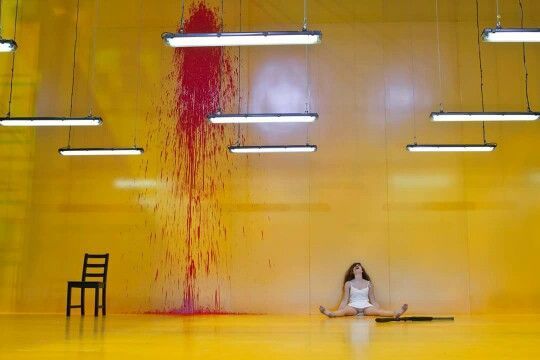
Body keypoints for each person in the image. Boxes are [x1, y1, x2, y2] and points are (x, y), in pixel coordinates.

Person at [319, 262, 408, 318]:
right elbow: (345, 299)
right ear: (352, 271)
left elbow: (373, 299)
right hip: (353, 306)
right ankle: (331, 314)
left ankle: (396, 313)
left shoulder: (369, 283)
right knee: (344, 311)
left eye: (359, 266)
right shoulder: (348, 283)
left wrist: (376, 308)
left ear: (362, 270)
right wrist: (340, 311)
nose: (357, 266)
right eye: (355, 266)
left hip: (366, 306)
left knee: (379, 311)